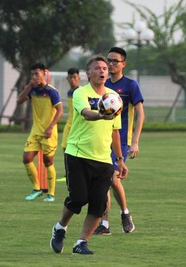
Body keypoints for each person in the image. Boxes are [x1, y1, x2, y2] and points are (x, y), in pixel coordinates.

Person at [50, 55, 128, 255]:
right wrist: (101, 114)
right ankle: (60, 228)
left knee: (99, 204)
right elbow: (86, 113)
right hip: (78, 154)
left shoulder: (114, 98)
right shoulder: (80, 93)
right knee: (78, 199)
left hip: (103, 159)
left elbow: (115, 131)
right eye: (97, 68)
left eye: (104, 68)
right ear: (89, 73)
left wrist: (119, 159)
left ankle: (81, 243)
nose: (102, 71)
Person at [93, 47, 145, 235]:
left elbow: (140, 114)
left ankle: (125, 213)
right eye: (109, 60)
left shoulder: (130, 86)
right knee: (104, 181)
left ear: (123, 64)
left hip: (122, 141)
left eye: (115, 61)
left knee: (113, 179)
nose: (111, 64)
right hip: (103, 140)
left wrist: (136, 142)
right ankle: (105, 224)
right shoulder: (103, 86)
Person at [17, 62, 63, 202]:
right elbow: (19, 101)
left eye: (37, 73)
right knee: (26, 158)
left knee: (47, 161)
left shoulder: (51, 91)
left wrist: (50, 127)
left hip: (49, 131)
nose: (34, 76)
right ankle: (36, 189)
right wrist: (29, 86)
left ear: (44, 73)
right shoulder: (33, 89)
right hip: (36, 131)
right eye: (32, 74)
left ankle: (51, 194)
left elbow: (60, 111)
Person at [57, 67, 81, 182]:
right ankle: (68, 174)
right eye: (70, 77)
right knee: (65, 148)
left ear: (79, 78)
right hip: (69, 124)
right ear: (67, 78)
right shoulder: (69, 92)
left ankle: (75, 174)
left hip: (77, 125)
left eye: (75, 77)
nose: (72, 80)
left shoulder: (80, 92)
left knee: (77, 150)